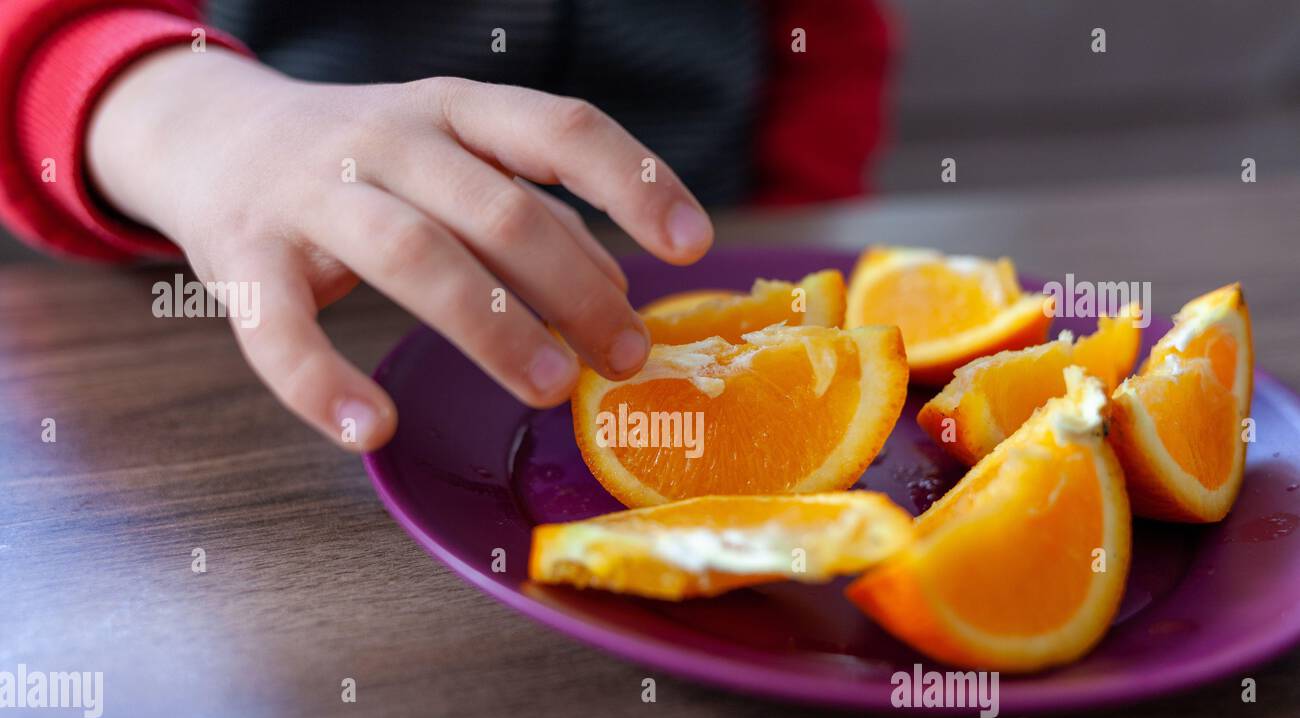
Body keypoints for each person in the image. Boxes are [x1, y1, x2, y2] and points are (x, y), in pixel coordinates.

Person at [0, 0, 891, 451]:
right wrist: (185, 116)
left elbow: (825, 42)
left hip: (691, 290)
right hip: (245, 343)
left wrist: (782, 237)